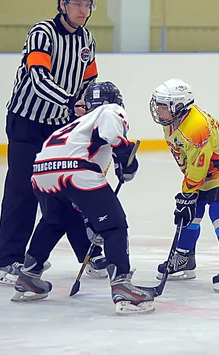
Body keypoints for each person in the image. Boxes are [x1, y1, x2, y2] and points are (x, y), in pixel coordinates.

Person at [0, 0, 106, 285]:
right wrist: (72, 102)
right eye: (78, 4)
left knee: (67, 191)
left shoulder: (86, 40)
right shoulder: (42, 33)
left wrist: (90, 106)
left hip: (59, 125)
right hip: (27, 123)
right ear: (62, 4)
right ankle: (9, 261)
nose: (84, 11)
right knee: (22, 191)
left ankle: (88, 255)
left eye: (88, 5)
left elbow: (89, 81)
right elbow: (37, 78)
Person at [11, 81, 154, 315]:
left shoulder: (76, 123)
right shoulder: (109, 110)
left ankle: (28, 276)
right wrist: (125, 157)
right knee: (114, 225)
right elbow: (113, 135)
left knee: (54, 220)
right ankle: (122, 286)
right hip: (76, 171)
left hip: (41, 171)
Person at [149, 78, 219, 293]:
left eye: (162, 105)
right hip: (205, 169)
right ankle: (184, 257)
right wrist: (188, 195)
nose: (158, 110)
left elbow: (198, 166)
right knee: (191, 212)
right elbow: (187, 161)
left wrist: (187, 192)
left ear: (178, 106)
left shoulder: (196, 127)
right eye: (157, 104)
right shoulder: (171, 122)